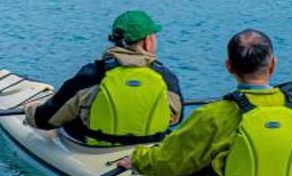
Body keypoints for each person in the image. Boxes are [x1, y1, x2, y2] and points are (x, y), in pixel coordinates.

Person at [115, 28, 292, 176]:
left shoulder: (214, 114)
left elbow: (169, 163)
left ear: (229, 66)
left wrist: (138, 160)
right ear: (273, 65)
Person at [20, 9, 183, 147]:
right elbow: (176, 118)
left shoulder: (93, 74)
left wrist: (30, 111)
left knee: (71, 115)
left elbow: (46, 120)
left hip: (95, 149)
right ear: (148, 42)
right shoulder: (166, 76)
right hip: (150, 148)